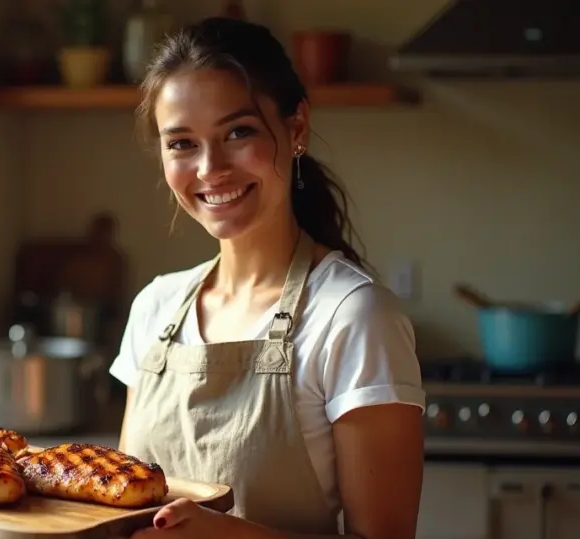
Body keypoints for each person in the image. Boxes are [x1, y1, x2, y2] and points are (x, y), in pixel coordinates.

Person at [108, 17, 426, 539]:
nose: (210, 168)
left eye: (238, 132)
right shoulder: (155, 307)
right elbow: (124, 513)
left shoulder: (353, 316)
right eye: (182, 143)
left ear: (296, 128)